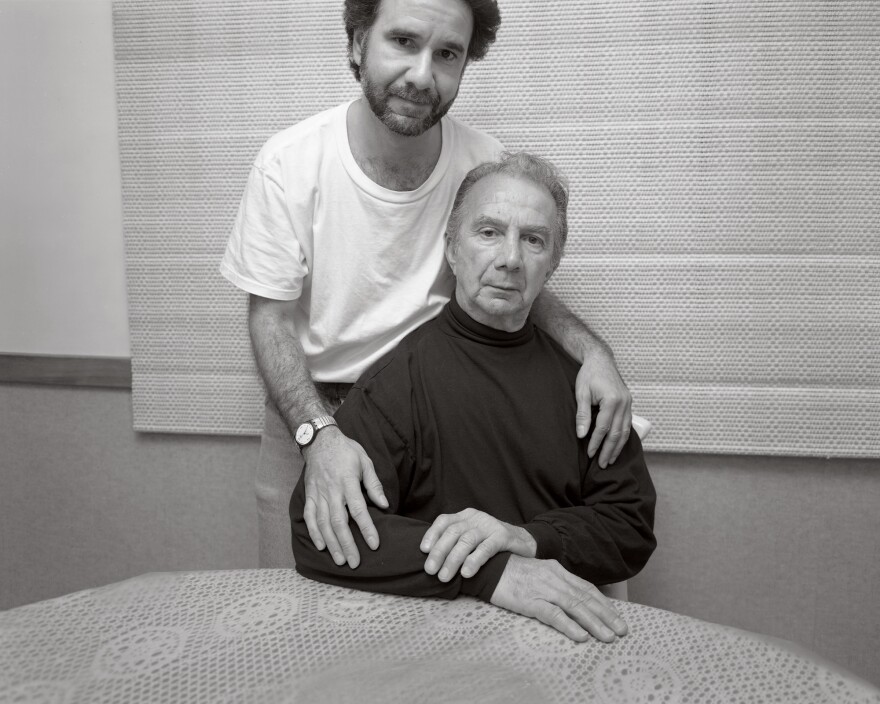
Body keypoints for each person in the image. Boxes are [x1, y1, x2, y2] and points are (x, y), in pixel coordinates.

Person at [221, 0, 634, 570]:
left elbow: (506, 278)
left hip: (434, 414)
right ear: (356, 45)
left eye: (447, 54)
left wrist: (595, 354)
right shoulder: (289, 165)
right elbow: (269, 317)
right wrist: (319, 435)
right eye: (403, 42)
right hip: (310, 409)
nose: (422, 74)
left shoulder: (482, 162)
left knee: (441, 598)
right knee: (298, 601)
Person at [291, 153, 656, 642]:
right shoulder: (399, 383)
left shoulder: (588, 387)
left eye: (533, 240)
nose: (509, 259)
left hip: (566, 638)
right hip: (431, 637)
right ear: (451, 249)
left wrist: (525, 539)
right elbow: (320, 534)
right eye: (488, 232)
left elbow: (630, 527)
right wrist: (491, 570)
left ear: (553, 263)